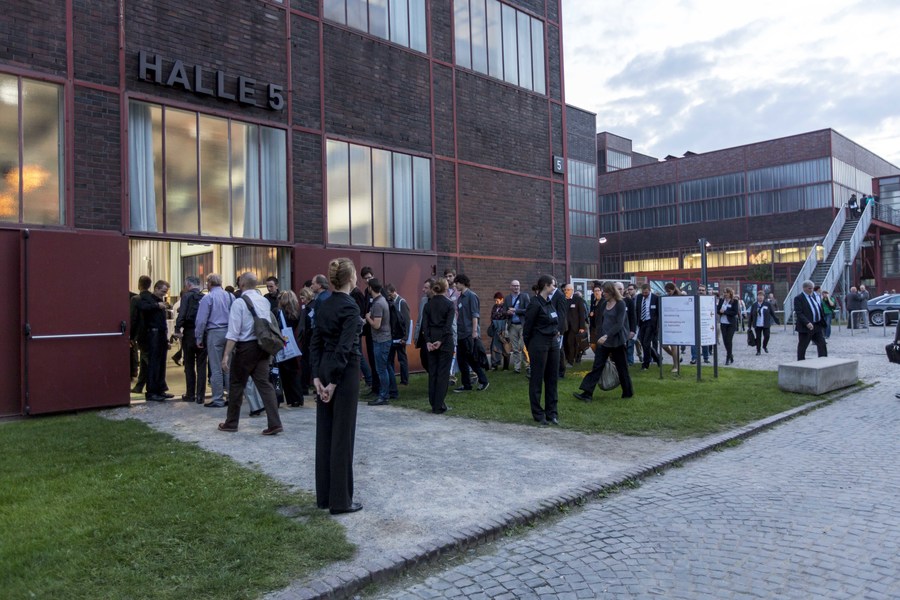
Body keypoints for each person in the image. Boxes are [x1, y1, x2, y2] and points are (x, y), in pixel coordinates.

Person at [311, 257, 364, 515]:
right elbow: (345, 348)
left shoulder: (324, 304)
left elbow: (315, 343)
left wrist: (317, 377)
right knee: (343, 435)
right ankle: (341, 501)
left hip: (325, 368)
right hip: (344, 373)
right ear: (350, 277)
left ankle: (325, 497)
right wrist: (331, 382)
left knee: (326, 434)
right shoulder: (350, 307)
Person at [218, 272, 283, 435]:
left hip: (245, 347)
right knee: (264, 384)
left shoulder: (239, 303)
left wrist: (226, 355)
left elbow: (233, 332)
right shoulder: (263, 301)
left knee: (236, 385)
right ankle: (275, 423)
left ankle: (231, 422)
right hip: (262, 347)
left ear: (241, 284)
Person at [573, 281, 634, 401]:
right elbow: (600, 321)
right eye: (602, 291)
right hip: (604, 341)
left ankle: (627, 392)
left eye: (605, 291)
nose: (603, 293)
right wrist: (599, 335)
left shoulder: (620, 304)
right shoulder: (604, 303)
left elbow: (619, 324)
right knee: (597, 366)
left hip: (617, 341)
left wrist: (607, 336)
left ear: (611, 291)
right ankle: (587, 393)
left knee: (622, 368)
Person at [523, 275, 560, 425]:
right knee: (537, 378)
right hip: (539, 343)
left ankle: (552, 413)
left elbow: (554, 321)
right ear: (545, 286)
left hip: (553, 343)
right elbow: (528, 328)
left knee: (552, 379)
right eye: (553, 285)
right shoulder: (535, 303)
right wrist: (530, 345)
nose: (554, 288)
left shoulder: (549, 302)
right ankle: (538, 414)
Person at [195, 273, 233, 408]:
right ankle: (231, 396)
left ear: (209, 283)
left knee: (216, 367)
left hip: (214, 332)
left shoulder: (208, 298)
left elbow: (201, 320)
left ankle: (217, 398)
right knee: (227, 365)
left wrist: (198, 337)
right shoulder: (230, 296)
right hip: (229, 333)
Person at [422, 277, 455, 414]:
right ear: (446, 288)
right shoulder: (449, 305)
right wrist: (440, 341)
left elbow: (425, 325)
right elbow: (448, 327)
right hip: (445, 342)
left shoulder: (428, 305)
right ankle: (439, 404)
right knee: (443, 374)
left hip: (431, 341)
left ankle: (433, 402)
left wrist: (429, 341)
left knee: (433, 373)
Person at [453, 274, 490, 392]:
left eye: (457, 283)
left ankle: (484, 381)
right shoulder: (460, 298)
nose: (455, 285)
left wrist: (474, 332)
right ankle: (466, 384)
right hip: (461, 333)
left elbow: (475, 315)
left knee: (472, 360)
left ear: (462, 282)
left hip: (469, 333)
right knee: (461, 360)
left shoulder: (471, 296)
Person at [138, 280, 172, 402]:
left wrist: (167, 339)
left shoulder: (160, 301)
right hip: (152, 334)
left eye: (166, 291)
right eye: (163, 291)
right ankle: (151, 391)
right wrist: (157, 306)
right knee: (154, 363)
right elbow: (142, 307)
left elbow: (163, 322)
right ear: (156, 288)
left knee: (161, 363)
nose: (164, 294)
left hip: (161, 334)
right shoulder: (147, 298)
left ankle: (160, 389)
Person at [174, 275, 206, 403]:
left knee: (189, 364)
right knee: (202, 365)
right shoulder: (205, 297)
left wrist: (177, 329)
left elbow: (182, 314)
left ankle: (190, 394)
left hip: (189, 333)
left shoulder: (186, 296)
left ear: (187, 285)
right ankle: (201, 396)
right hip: (203, 333)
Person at [365, 278, 396, 405]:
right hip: (384, 339)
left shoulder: (378, 303)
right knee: (386, 367)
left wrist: (367, 318)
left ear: (370, 288)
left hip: (381, 340)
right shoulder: (381, 300)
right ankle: (390, 392)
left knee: (381, 369)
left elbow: (377, 325)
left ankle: (384, 395)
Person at [277, 290, 304, 407]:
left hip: (282, 345)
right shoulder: (296, 314)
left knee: (284, 372)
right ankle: (297, 397)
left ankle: (289, 398)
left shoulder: (278, 312)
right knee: (294, 372)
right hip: (292, 345)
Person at [794, 279, 828, 361]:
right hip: (806, 326)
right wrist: (807, 322)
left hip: (817, 325)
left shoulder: (814, 296)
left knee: (822, 343)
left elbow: (818, 308)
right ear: (804, 288)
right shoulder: (799, 298)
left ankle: (823, 360)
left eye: (812, 288)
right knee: (803, 345)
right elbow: (799, 313)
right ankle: (800, 361)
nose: (811, 290)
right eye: (809, 288)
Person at [130, 275, 153, 394]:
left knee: (146, 358)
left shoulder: (135, 299)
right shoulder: (153, 298)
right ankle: (139, 386)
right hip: (152, 334)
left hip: (141, 334)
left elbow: (133, 319)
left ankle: (153, 385)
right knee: (144, 360)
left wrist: (131, 336)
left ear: (139, 285)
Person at [385, 283, 411, 385]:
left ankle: (404, 380)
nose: (389, 296)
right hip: (392, 335)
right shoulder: (390, 302)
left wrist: (405, 337)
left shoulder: (402, 302)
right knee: (390, 359)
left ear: (394, 291)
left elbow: (406, 321)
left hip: (400, 336)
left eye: (389, 294)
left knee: (402, 358)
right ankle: (392, 381)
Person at [503, 280, 530, 374]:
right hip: (512, 325)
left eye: (517, 286)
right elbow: (504, 311)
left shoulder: (524, 296)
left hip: (522, 325)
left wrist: (516, 310)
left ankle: (527, 365)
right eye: (514, 286)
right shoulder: (507, 298)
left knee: (523, 346)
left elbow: (528, 310)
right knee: (514, 348)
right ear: (510, 287)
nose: (516, 287)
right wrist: (507, 312)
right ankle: (517, 368)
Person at [635, 283, 661, 370]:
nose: (644, 294)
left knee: (646, 343)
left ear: (650, 290)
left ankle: (646, 364)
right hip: (642, 322)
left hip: (651, 323)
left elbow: (658, 313)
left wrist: (657, 326)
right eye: (643, 292)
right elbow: (637, 309)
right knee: (643, 343)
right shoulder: (639, 297)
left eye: (646, 293)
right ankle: (658, 358)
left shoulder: (655, 298)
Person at [413, 278, 434, 373]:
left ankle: (436, 381)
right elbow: (420, 319)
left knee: (432, 361)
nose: (423, 290)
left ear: (432, 289)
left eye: (426, 288)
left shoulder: (439, 301)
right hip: (423, 336)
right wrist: (416, 335)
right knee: (424, 360)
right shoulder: (424, 300)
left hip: (434, 336)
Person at [562, 284, 586, 367]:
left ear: (572, 290)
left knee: (570, 343)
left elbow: (582, 314)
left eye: (568, 290)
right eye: (565, 290)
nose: (566, 291)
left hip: (574, 326)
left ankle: (571, 361)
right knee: (565, 343)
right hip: (564, 327)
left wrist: (582, 327)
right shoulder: (562, 300)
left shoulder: (578, 299)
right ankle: (567, 358)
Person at [748, 290, 778, 355]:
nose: (760, 297)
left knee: (767, 336)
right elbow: (751, 315)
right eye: (759, 296)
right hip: (757, 324)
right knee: (758, 338)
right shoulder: (754, 305)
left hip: (765, 324)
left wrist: (776, 320)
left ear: (764, 297)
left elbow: (772, 313)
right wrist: (749, 326)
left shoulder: (767, 304)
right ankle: (758, 351)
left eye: (762, 296)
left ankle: (764, 346)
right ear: (757, 297)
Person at [717, 288, 740, 365]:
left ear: (730, 293)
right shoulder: (721, 301)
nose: (725, 294)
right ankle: (731, 355)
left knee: (729, 340)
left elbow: (735, 312)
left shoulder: (734, 301)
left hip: (731, 324)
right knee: (724, 341)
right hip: (723, 323)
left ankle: (728, 357)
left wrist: (725, 312)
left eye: (727, 292)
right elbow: (718, 310)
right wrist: (720, 311)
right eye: (724, 292)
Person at [489, 292, 509, 370]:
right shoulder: (494, 307)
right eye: (495, 301)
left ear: (502, 299)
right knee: (494, 347)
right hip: (495, 328)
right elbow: (492, 316)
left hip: (503, 329)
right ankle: (495, 366)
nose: (496, 302)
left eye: (497, 301)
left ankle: (506, 367)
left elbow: (507, 316)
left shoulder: (505, 307)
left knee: (505, 348)